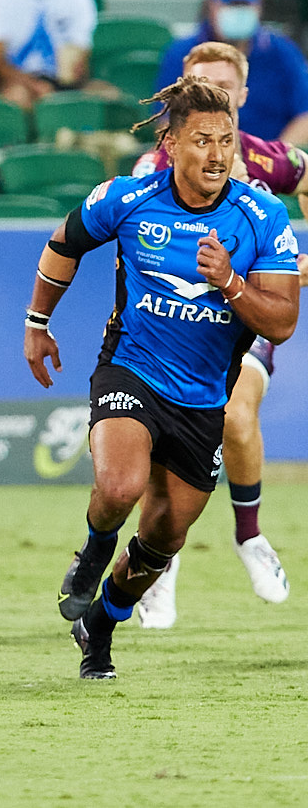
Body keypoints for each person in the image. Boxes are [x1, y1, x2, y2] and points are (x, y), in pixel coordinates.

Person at [26, 73, 297, 679]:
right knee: (120, 487)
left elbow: (281, 322)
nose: (219, 154)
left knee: (163, 539)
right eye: (203, 140)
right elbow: (64, 241)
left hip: (203, 400)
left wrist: (230, 281)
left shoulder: (259, 215)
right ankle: (92, 555)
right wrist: (37, 321)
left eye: (226, 140)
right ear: (171, 145)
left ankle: (100, 625)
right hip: (131, 370)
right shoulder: (127, 198)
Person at [126, 39, 308, 626]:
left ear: (242, 97)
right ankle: (162, 562)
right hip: (168, 327)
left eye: (225, 89)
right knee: (166, 455)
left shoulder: (267, 160)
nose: (214, 97)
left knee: (234, 413)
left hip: (240, 317)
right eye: (201, 85)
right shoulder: (157, 165)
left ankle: (249, 535)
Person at [155, 0, 308, 142]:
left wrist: (272, 159)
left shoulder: (283, 52)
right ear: (211, 6)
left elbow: (304, 116)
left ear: (259, 7)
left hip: (272, 158)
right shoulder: (182, 54)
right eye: (230, 4)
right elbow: (166, 122)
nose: (237, 11)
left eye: (244, 5)